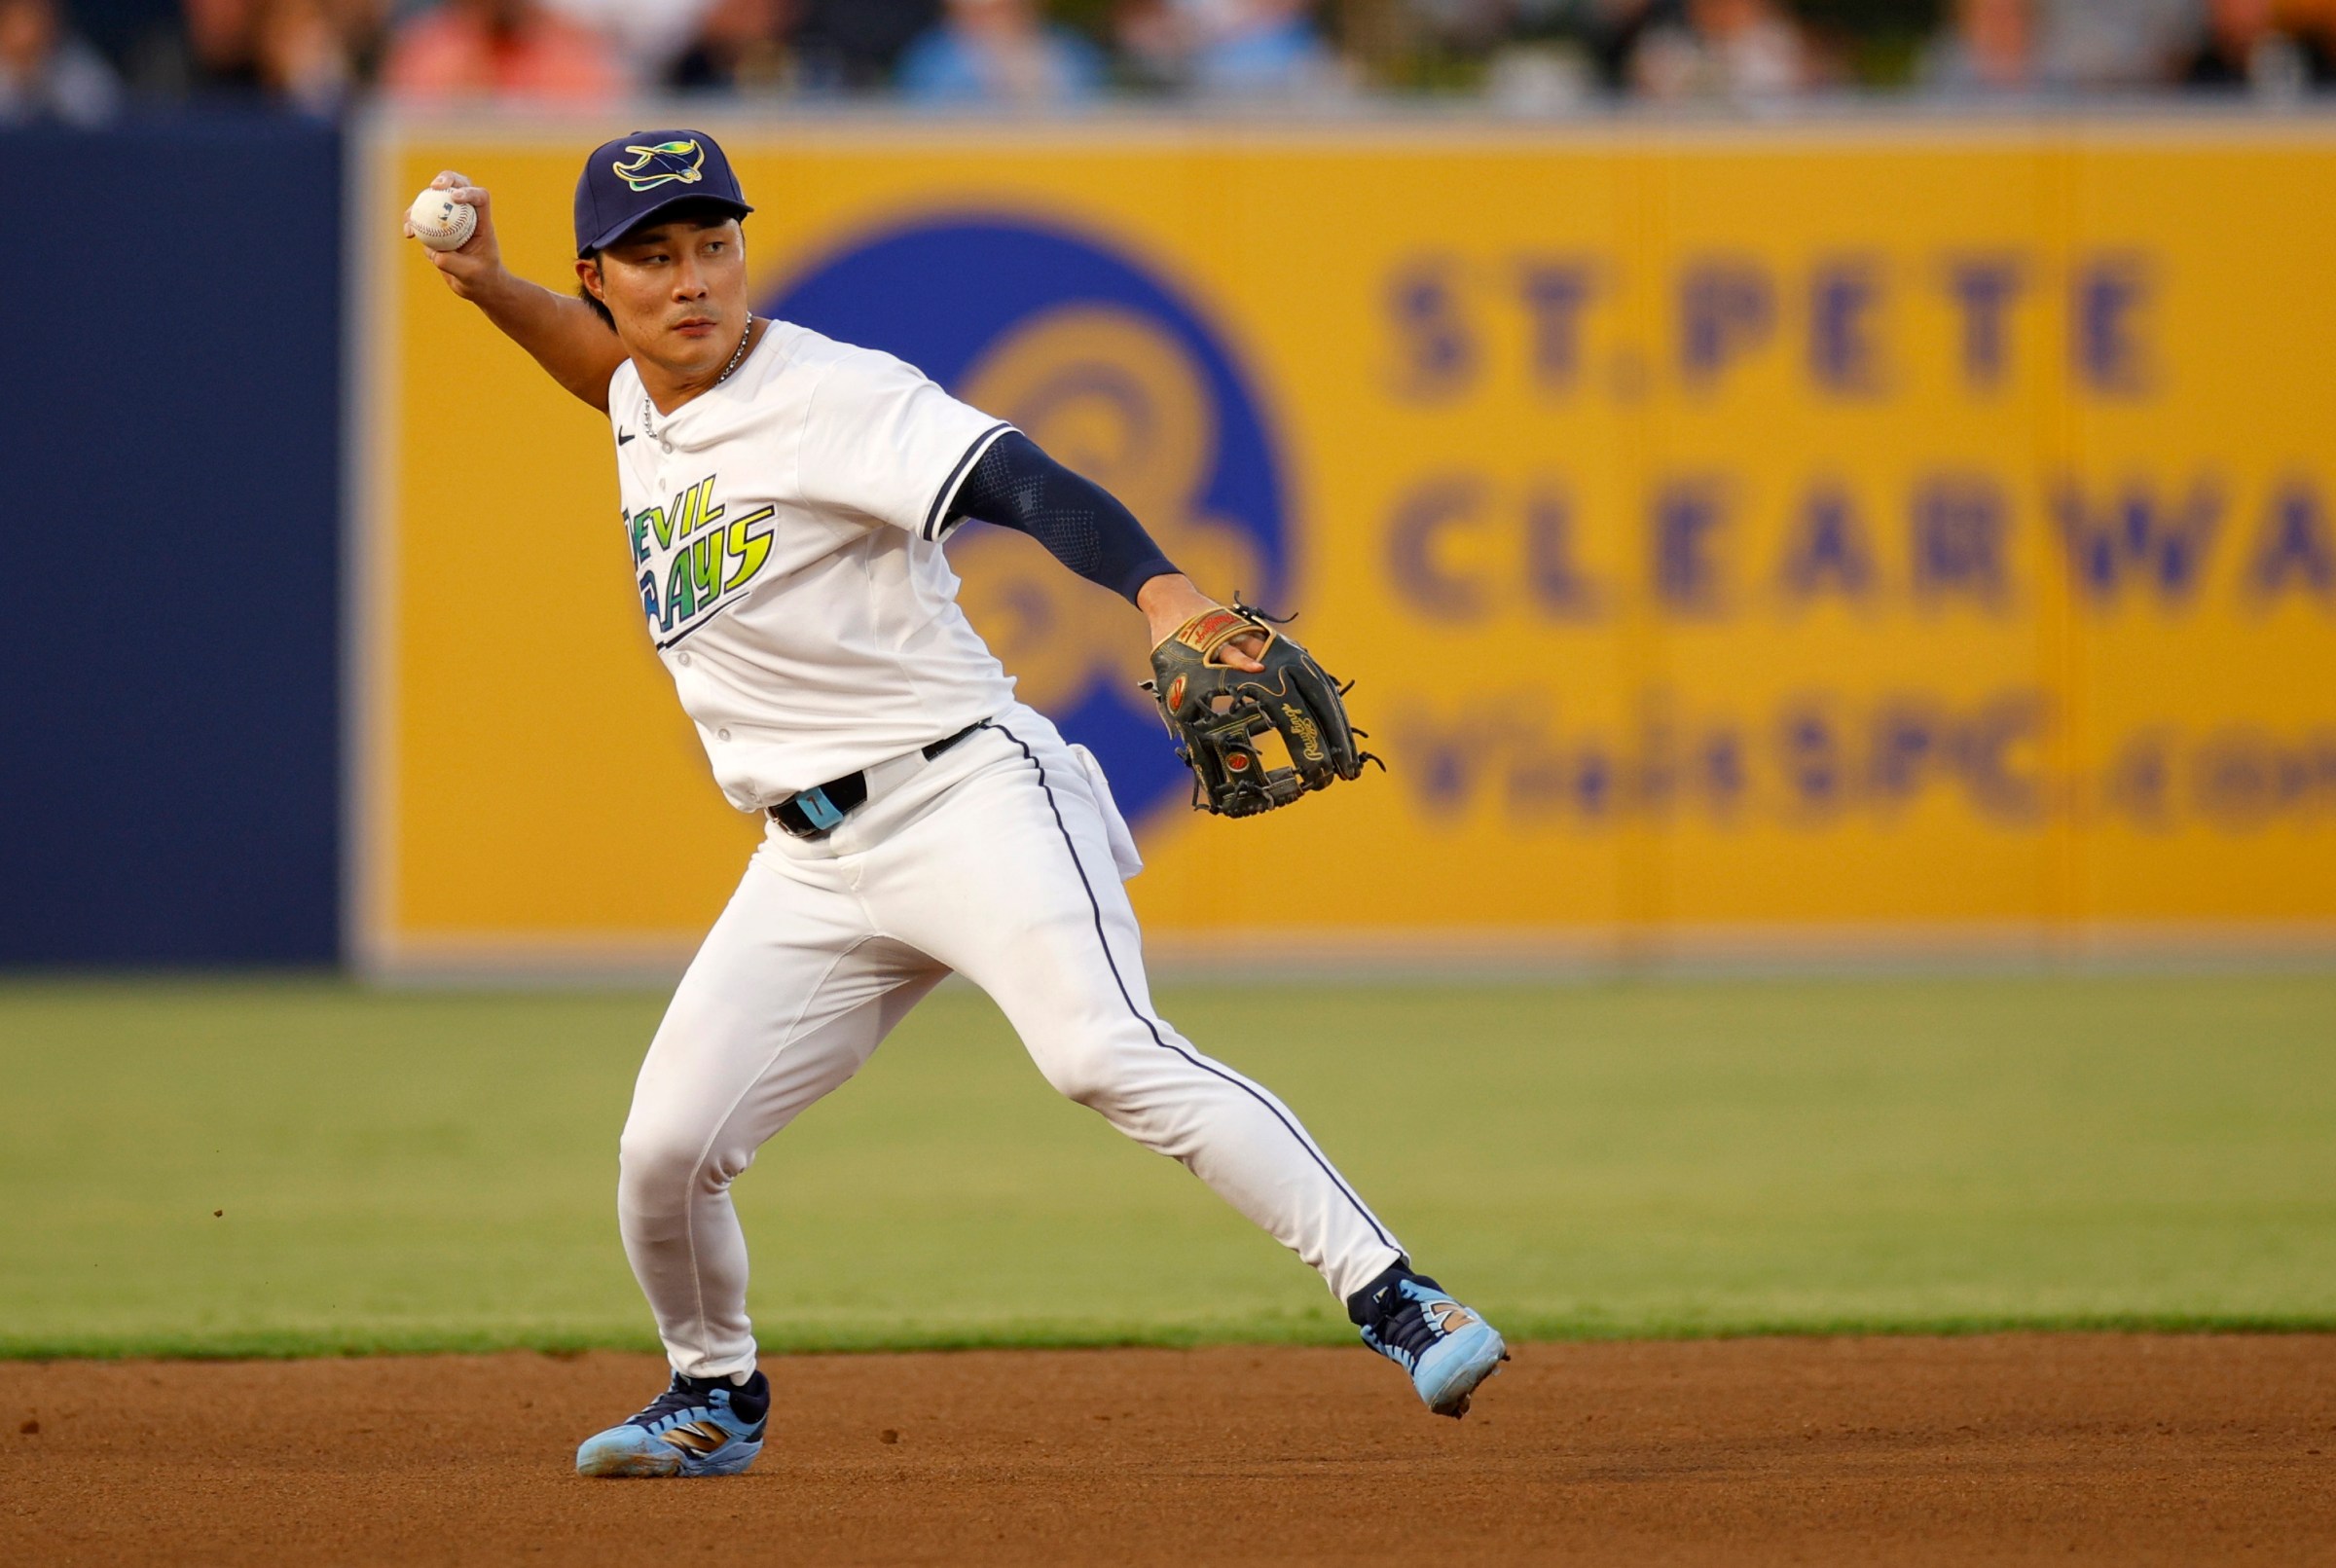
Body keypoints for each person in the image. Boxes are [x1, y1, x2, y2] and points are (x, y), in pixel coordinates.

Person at [405, 128, 1508, 1479]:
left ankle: (1401, 1299)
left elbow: (1021, 477)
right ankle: (714, 1396)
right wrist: (489, 287)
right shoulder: (642, 384)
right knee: (664, 1153)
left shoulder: (830, 393)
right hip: (809, 863)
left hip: (967, 792)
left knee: (1101, 1054)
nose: (691, 279)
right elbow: (600, 369)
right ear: (603, 278)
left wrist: (1164, 593)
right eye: (652, 257)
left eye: (712, 244)